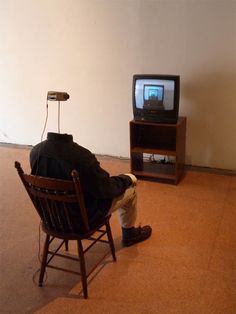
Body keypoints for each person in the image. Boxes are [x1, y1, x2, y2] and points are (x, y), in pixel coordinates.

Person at [30, 132, 152, 246]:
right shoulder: (81, 156)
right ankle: (129, 234)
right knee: (131, 189)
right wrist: (126, 179)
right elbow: (105, 189)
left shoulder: (35, 152)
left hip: (51, 218)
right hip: (81, 220)